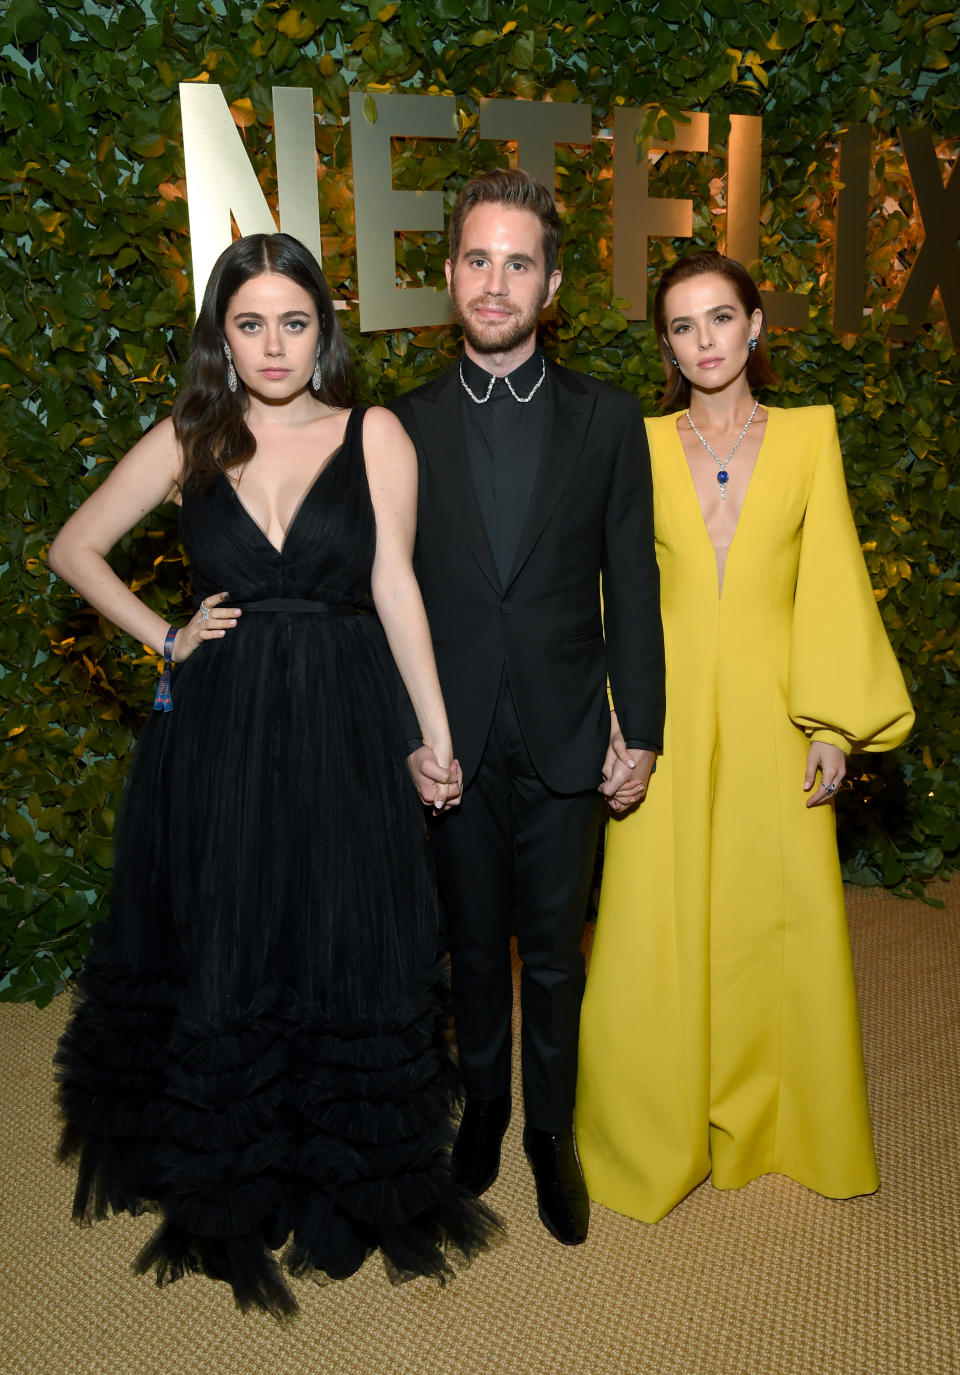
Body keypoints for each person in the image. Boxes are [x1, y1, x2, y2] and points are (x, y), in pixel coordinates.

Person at [50, 232, 497, 1317]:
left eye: (293, 321)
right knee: (236, 940)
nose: (273, 344)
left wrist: (436, 737)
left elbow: (395, 586)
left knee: (343, 938)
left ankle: (341, 1182)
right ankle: (239, 1177)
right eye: (248, 323)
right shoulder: (190, 434)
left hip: (347, 719)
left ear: (322, 328)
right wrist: (164, 635)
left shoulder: (373, 432)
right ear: (223, 336)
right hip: (224, 726)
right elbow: (74, 547)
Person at [575, 249, 915, 1223]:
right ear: (667, 345)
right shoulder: (634, 443)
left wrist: (835, 721)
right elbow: (606, 586)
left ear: (756, 326)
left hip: (775, 705)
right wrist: (609, 711)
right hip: (660, 705)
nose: (703, 341)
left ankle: (780, 1123)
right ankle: (649, 1129)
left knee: (777, 915)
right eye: (682, 326)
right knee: (650, 915)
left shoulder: (810, 436)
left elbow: (833, 580)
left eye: (720, 319)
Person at [390, 169, 665, 1247]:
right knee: (468, 948)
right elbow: (384, 595)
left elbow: (633, 587)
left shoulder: (608, 419)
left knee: (553, 953)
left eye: (518, 263)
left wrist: (638, 728)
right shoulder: (398, 425)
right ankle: (487, 1111)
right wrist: (413, 736)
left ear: (551, 284)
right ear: (448, 273)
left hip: (566, 739)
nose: (494, 282)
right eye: (475, 259)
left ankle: (551, 1132)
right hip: (451, 744)